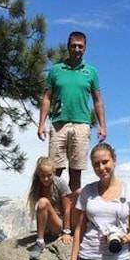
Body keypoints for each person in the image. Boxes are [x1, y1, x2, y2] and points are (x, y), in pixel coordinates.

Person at [37, 31, 107, 193]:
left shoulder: (91, 72)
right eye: (73, 46)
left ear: (85, 48)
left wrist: (102, 126)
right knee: (55, 172)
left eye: (80, 46)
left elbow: (98, 100)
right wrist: (41, 124)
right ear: (68, 47)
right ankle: (53, 210)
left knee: (75, 172)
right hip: (59, 124)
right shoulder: (56, 70)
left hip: (81, 124)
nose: (76, 49)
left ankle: (73, 214)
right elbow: (47, 98)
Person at [26, 156, 73, 260]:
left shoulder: (60, 184)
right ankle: (40, 240)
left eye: (49, 175)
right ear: (38, 174)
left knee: (43, 202)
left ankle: (40, 242)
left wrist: (66, 232)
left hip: (60, 224)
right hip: (49, 225)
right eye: (43, 175)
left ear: (54, 173)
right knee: (43, 203)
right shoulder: (37, 185)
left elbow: (67, 208)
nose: (46, 179)